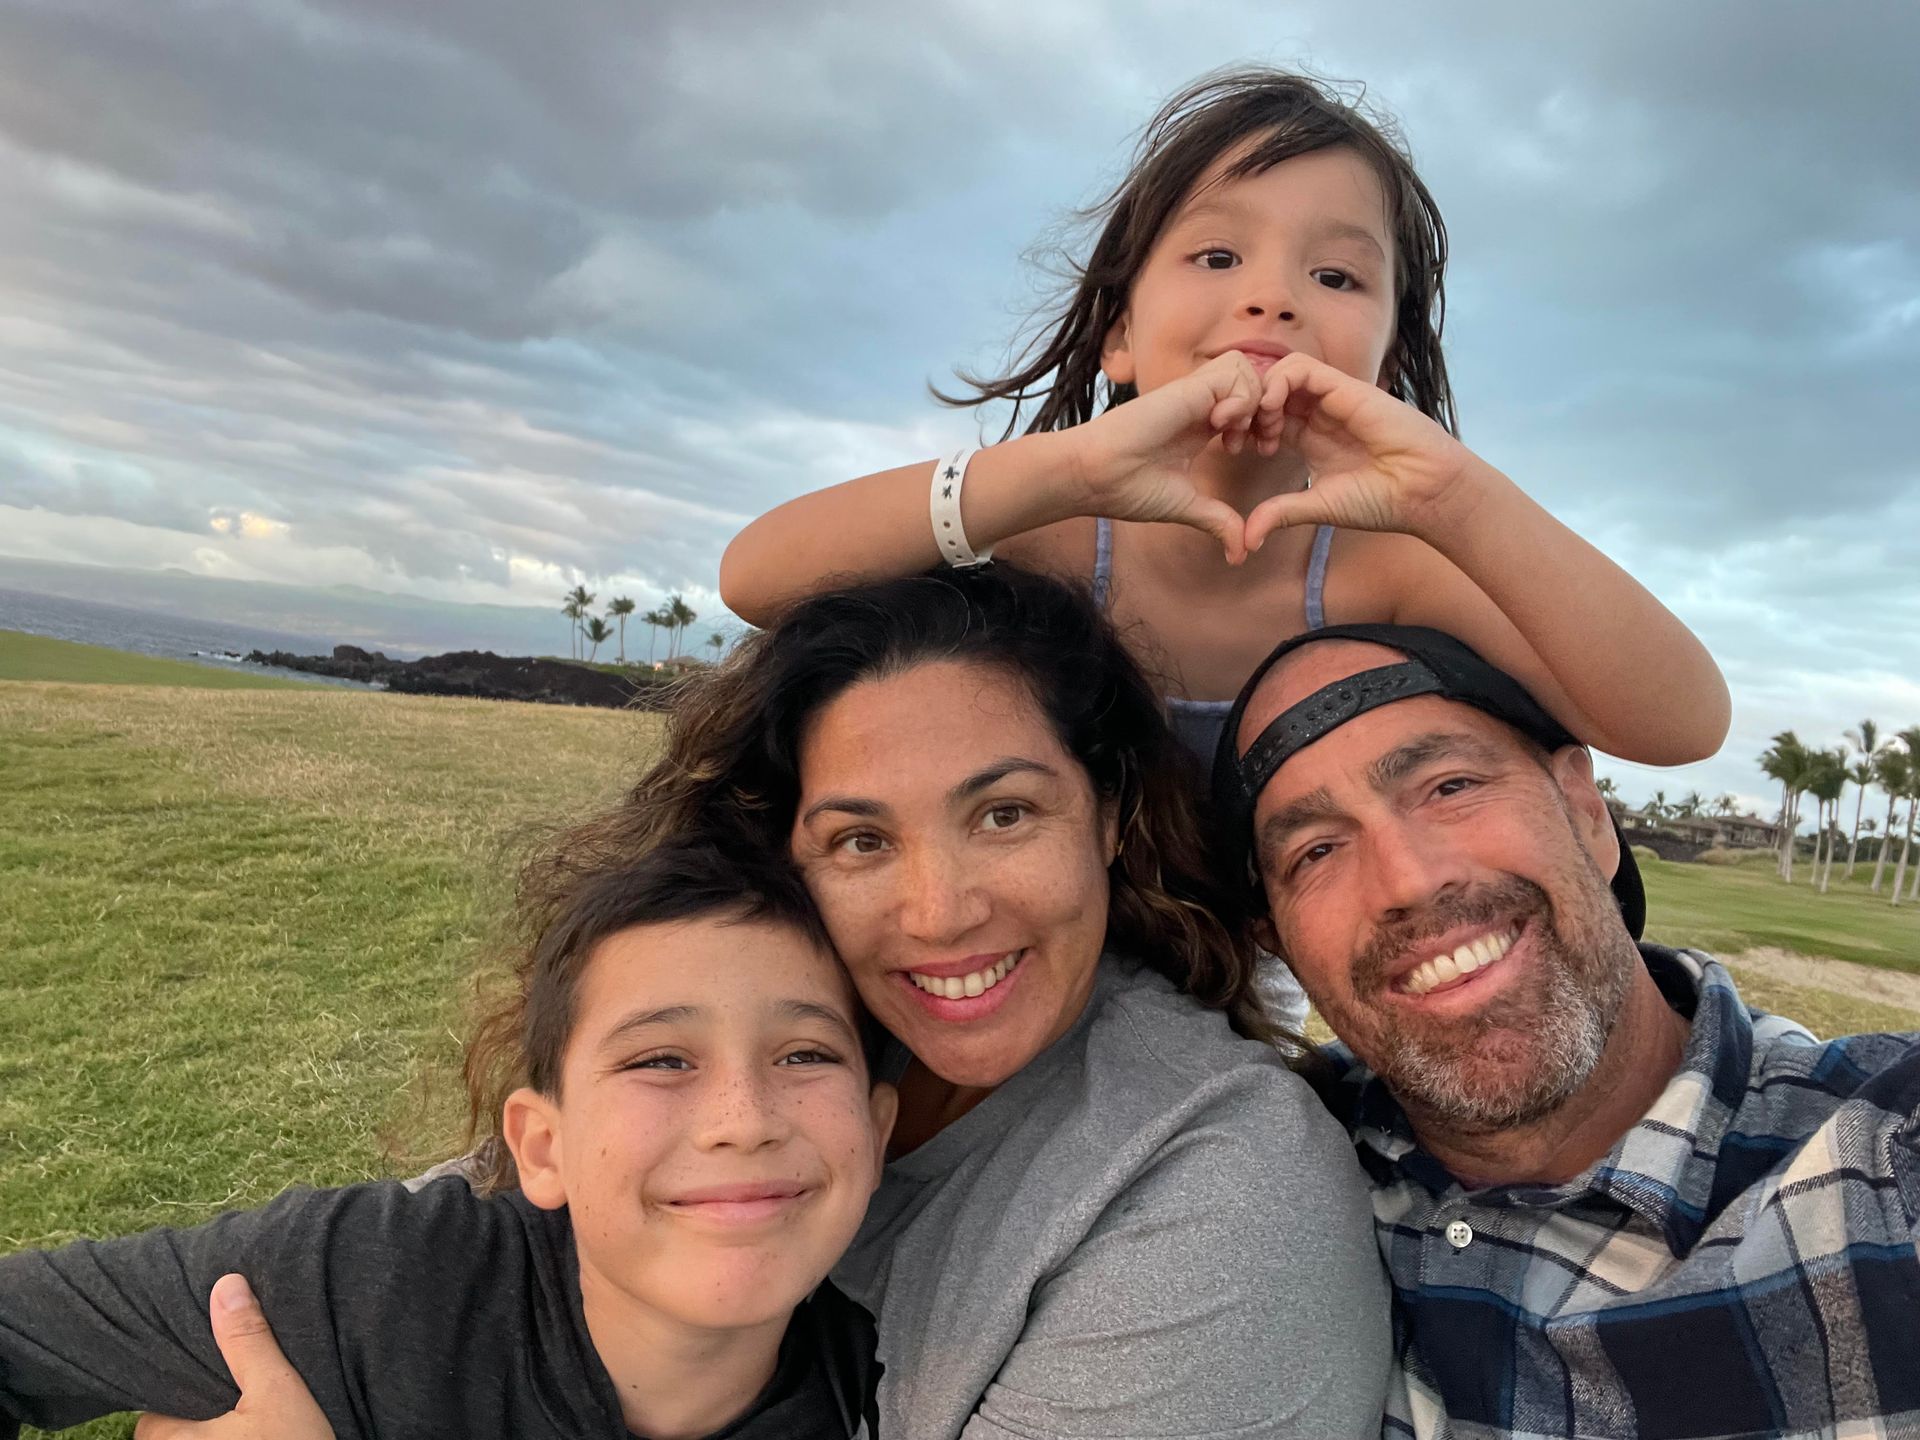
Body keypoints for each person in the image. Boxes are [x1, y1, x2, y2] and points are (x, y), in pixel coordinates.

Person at [111, 563, 1389, 1440]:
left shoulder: (1214, 1184)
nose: (940, 910)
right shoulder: (770, 1052)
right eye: (861, 841)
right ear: (785, 861)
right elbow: (448, 1254)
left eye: (1005, 814)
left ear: (1107, 816)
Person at [718, 66, 1733, 1027]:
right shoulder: (1048, 530)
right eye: (1217, 257)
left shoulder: (1386, 566)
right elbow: (757, 576)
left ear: (1388, 362)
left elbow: (1679, 720)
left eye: (1335, 275)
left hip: (1235, 1019)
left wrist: (1456, 496)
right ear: (1120, 335)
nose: (1273, 298)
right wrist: (1068, 465)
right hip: (1001, 978)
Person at [1210, 622, 1920, 1439]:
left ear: (1585, 809)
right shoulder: (1262, 1163)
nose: (1407, 879)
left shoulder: (1883, 1167)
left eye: (1450, 786)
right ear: (1277, 942)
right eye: (1317, 851)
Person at [0, 841, 896, 1440]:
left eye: (806, 1054)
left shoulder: (906, 1384)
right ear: (541, 1147)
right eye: (661, 1059)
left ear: (877, 1127)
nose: (744, 1119)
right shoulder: (371, 1283)